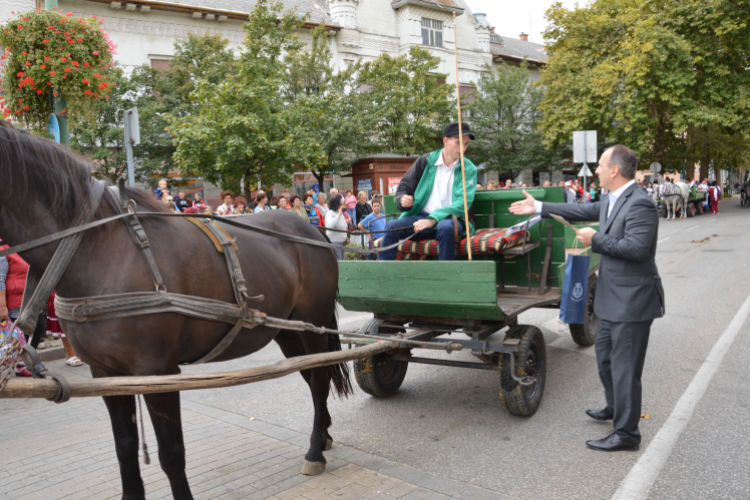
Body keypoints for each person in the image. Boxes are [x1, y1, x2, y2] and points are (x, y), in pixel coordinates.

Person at [510, 144, 664, 452]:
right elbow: (581, 210)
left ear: (615, 170)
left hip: (632, 302)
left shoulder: (640, 204)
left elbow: (637, 249)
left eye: (600, 165)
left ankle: (627, 434)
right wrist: (540, 207)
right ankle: (615, 407)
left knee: (625, 369)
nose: (596, 170)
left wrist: (596, 240)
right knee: (605, 358)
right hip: (613, 298)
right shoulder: (612, 198)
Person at [378, 122, 477, 261]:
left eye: (466, 144)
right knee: (391, 226)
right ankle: (382, 275)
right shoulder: (425, 161)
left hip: (451, 219)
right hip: (421, 218)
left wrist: (433, 219)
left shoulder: (469, 169)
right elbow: (403, 188)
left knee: (446, 227)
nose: (462, 148)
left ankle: (445, 277)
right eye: (458, 142)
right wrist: (402, 199)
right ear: (445, 140)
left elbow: (462, 203)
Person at [325, 194, 349, 260]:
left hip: (342, 241)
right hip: (335, 242)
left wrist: (346, 237)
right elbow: (329, 225)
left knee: (342, 261)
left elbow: (344, 226)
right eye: (341, 201)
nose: (343, 203)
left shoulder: (339, 213)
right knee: (339, 262)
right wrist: (338, 215)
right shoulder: (330, 213)